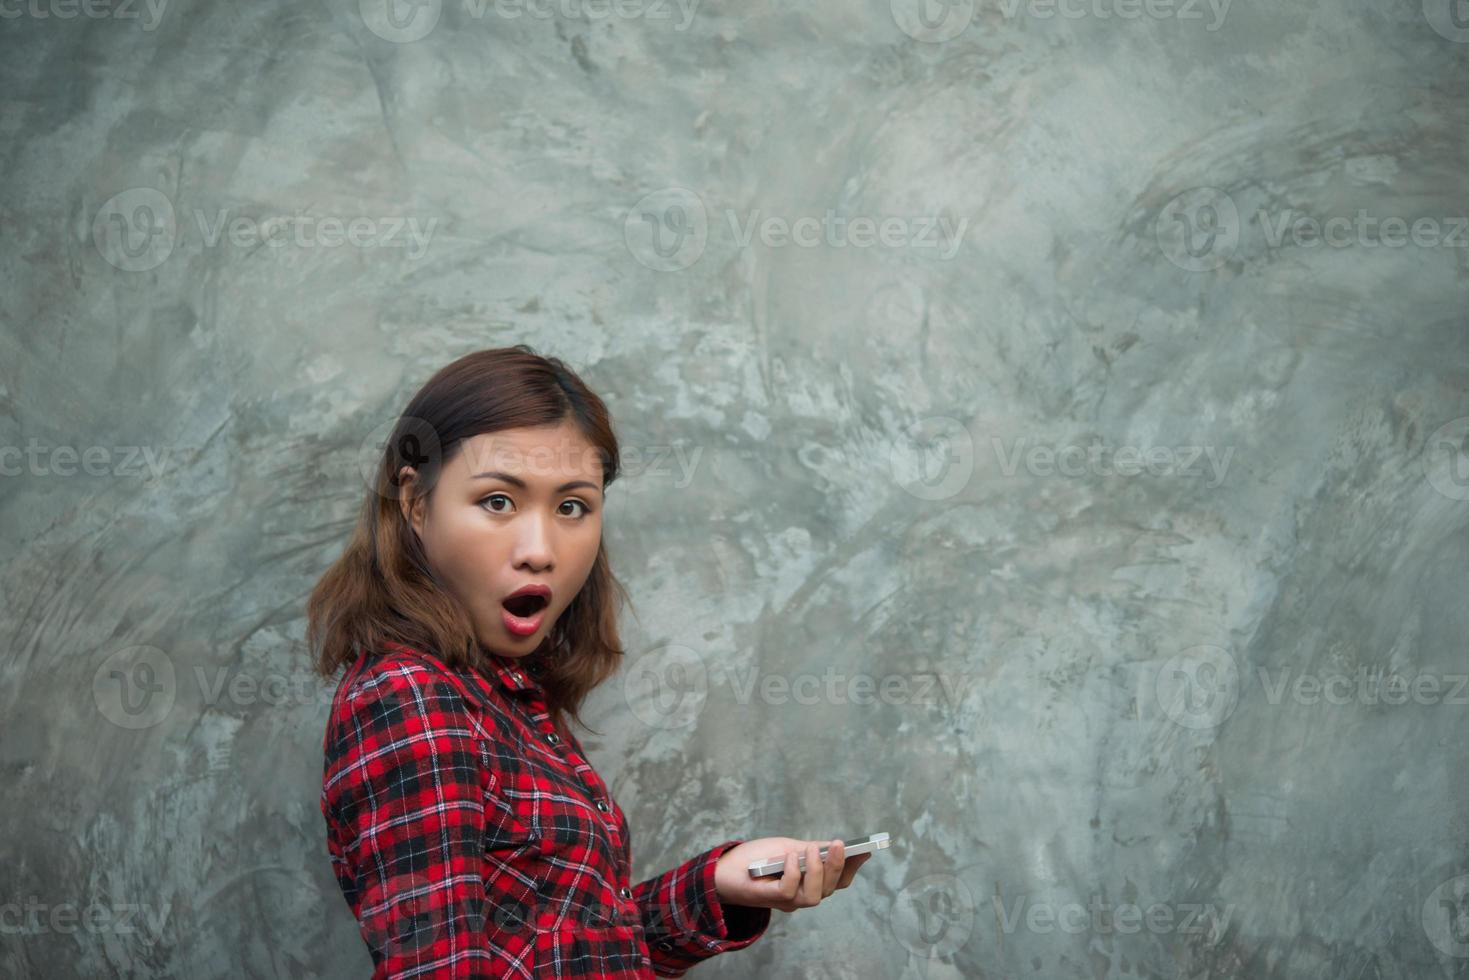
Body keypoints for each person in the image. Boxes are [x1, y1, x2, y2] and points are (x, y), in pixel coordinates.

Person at [308, 346, 871, 978]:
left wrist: (718, 885)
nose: (540, 550)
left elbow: (572, 949)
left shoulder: (500, 694)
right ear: (415, 504)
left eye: (572, 506)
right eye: (498, 501)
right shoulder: (409, 696)